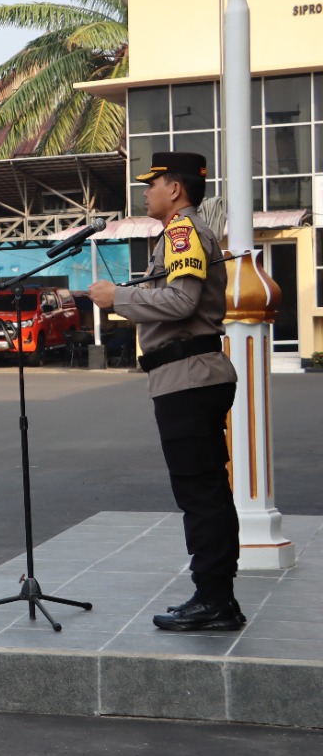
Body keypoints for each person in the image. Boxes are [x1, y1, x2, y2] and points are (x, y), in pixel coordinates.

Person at [90, 151, 243, 633]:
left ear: (174, 189)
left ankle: (216, 600)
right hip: (186, 376)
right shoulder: (179, 233)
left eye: (152, 184)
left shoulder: (181, 231)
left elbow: (180, 300)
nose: (146, 192)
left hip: (188, 377)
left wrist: (120, 297)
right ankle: (214, 595)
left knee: (200, 494)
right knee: (206, 492)